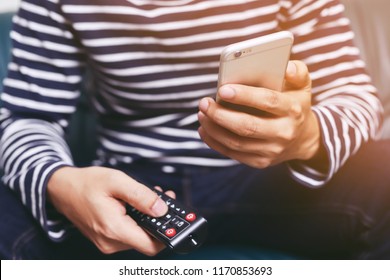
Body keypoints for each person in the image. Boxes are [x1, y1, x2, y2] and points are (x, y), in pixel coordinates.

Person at [0, 0, 389, 259]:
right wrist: (57, 180)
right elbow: (26, 117)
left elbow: (353, 92)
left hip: (273, 178)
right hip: (129, 187)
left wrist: (309, 138)